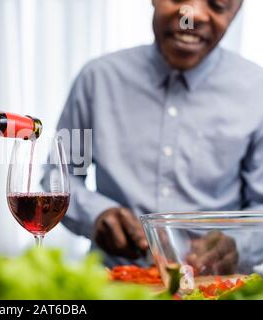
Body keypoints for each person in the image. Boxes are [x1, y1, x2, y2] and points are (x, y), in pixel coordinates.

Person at [51, 0, 263, 271]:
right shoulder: (97, 80)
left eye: (218, 4)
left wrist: (238, 244)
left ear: (236, 12)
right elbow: (59, 176)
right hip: (112, 283)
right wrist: (96, 214)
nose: (193, 14)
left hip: (215, 286)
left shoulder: (258, 92)